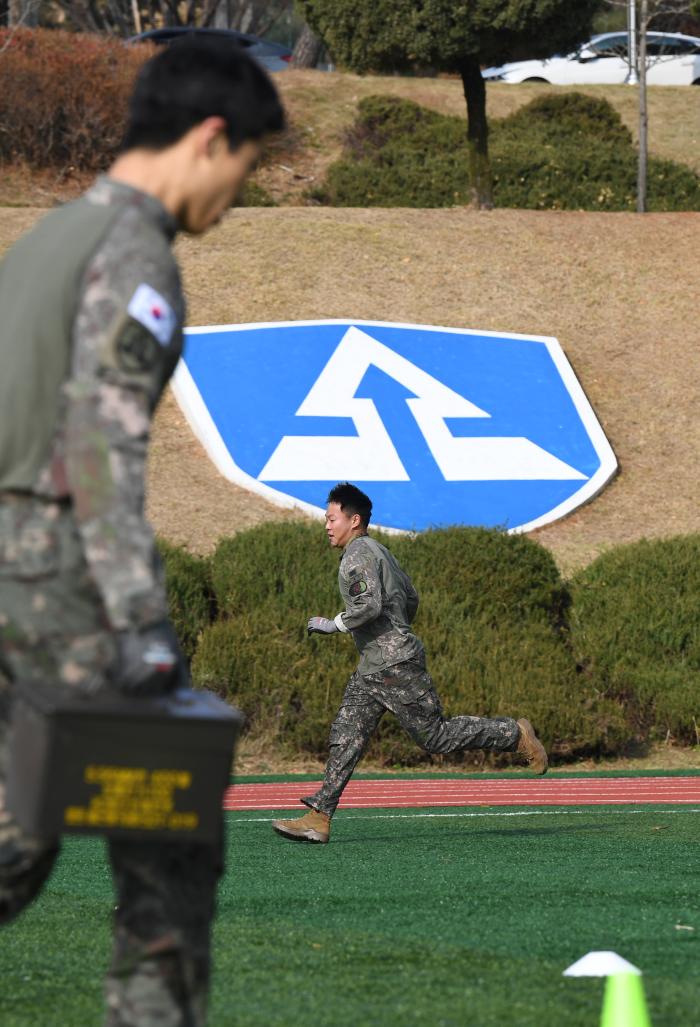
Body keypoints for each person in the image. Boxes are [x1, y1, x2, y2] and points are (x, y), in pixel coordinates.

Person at [0, 36, 284, 1025]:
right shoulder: (135, 254)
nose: (237, 196)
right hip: (52, 577)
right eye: (246, 165)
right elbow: (98, 443)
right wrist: (140, 623)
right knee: (170, 837)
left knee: (18, 832)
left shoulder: (44, 240)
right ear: (210, 138)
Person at [272, 482, 548, 845]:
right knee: (346, 736)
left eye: (331, 518)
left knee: (435, 737)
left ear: (354, 521)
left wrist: (334, 624)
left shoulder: (357, 555)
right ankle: (319, 816)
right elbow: (411, 597)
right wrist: (396, 630)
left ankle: (514, 734)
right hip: (374, 667)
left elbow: (368, 606)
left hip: (394, 665)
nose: (326, 525)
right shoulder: (381, 551)